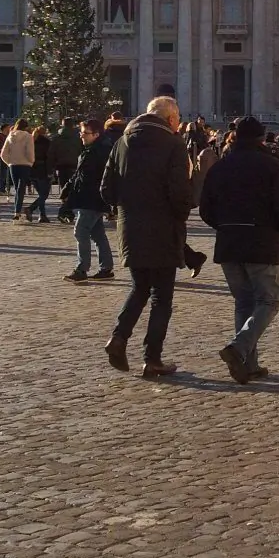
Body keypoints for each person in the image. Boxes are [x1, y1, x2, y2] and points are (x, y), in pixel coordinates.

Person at [200, 115, 279, 383]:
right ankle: (238, 348)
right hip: (261, 240)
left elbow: (205, 207)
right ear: (260, 137)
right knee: (269, 301)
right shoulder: (271, 166)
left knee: (243, 303)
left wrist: (226, 225)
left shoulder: (219, 167)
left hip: (229, 241)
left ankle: (248, 365)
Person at [101, 95, 192, 378]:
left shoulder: (122, 143)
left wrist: (126, 208)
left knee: (140, 287)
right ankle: (152, 358)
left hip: (130, 229)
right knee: (161, 297)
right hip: (163, 228)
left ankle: (118, 337)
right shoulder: (174, 144)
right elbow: (179, 192)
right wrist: (182, 212)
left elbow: (106, 189)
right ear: (171, 119)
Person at [65, 117, 116, 282]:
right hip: (88, 197)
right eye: (81, 132)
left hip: (93, 198)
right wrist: (70, 186)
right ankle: (106, 268)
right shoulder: (91, 149)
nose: (81, 136)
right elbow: (81, 173)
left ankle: (82, 269)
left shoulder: (100, 151)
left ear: (96, 134)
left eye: (85, 133)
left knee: (80, 231)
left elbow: (103, 177)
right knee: (97, 234)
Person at [2, 122, 38, 222]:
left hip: (13, 165)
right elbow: (30, 152)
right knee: (21, 189)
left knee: (17, 188)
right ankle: (17, 212)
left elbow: (3, 153)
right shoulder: (28, 136)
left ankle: (16, 212)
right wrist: (31, 161)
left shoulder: (10, 135)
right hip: (25, 165)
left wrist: (9, 162)